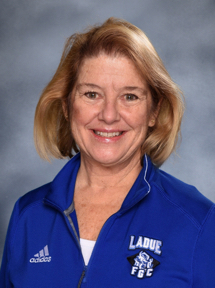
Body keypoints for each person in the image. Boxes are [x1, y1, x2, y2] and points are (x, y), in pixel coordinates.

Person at [0, 17, 214, 288]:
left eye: (130, 96)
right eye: (91, 94)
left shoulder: (198, 222)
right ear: (67, 105)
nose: (109, 115)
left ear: (154, 112)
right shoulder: (28, 215)